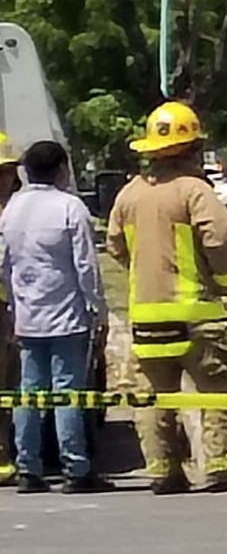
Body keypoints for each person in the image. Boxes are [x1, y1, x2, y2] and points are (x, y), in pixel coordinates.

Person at [107, 102, 227, 495]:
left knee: (155, 397)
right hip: (198, 316)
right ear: (192, 149)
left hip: (147, 319)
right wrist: (225, 279)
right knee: (218, 388)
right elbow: (219, 238)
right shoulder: (195, 191)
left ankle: (163, 470)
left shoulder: (128, 195)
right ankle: (226, 466)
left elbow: (116, 246)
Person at [0, 141, 113, 494]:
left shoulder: (12, 210)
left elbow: (4, 265)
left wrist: (15, 307)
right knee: (68, 393)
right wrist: (98, 308)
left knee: (28, 393)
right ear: (62, 169)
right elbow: (86, 266)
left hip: (28, 317)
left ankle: (28, 468)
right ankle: (76, 468)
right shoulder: (70, 207)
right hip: (67, 318)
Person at [0, 133, 21, 487]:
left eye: (6, 172)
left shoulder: (18, 210)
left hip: (11, 306)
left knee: (7, 388)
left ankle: (3, 452)